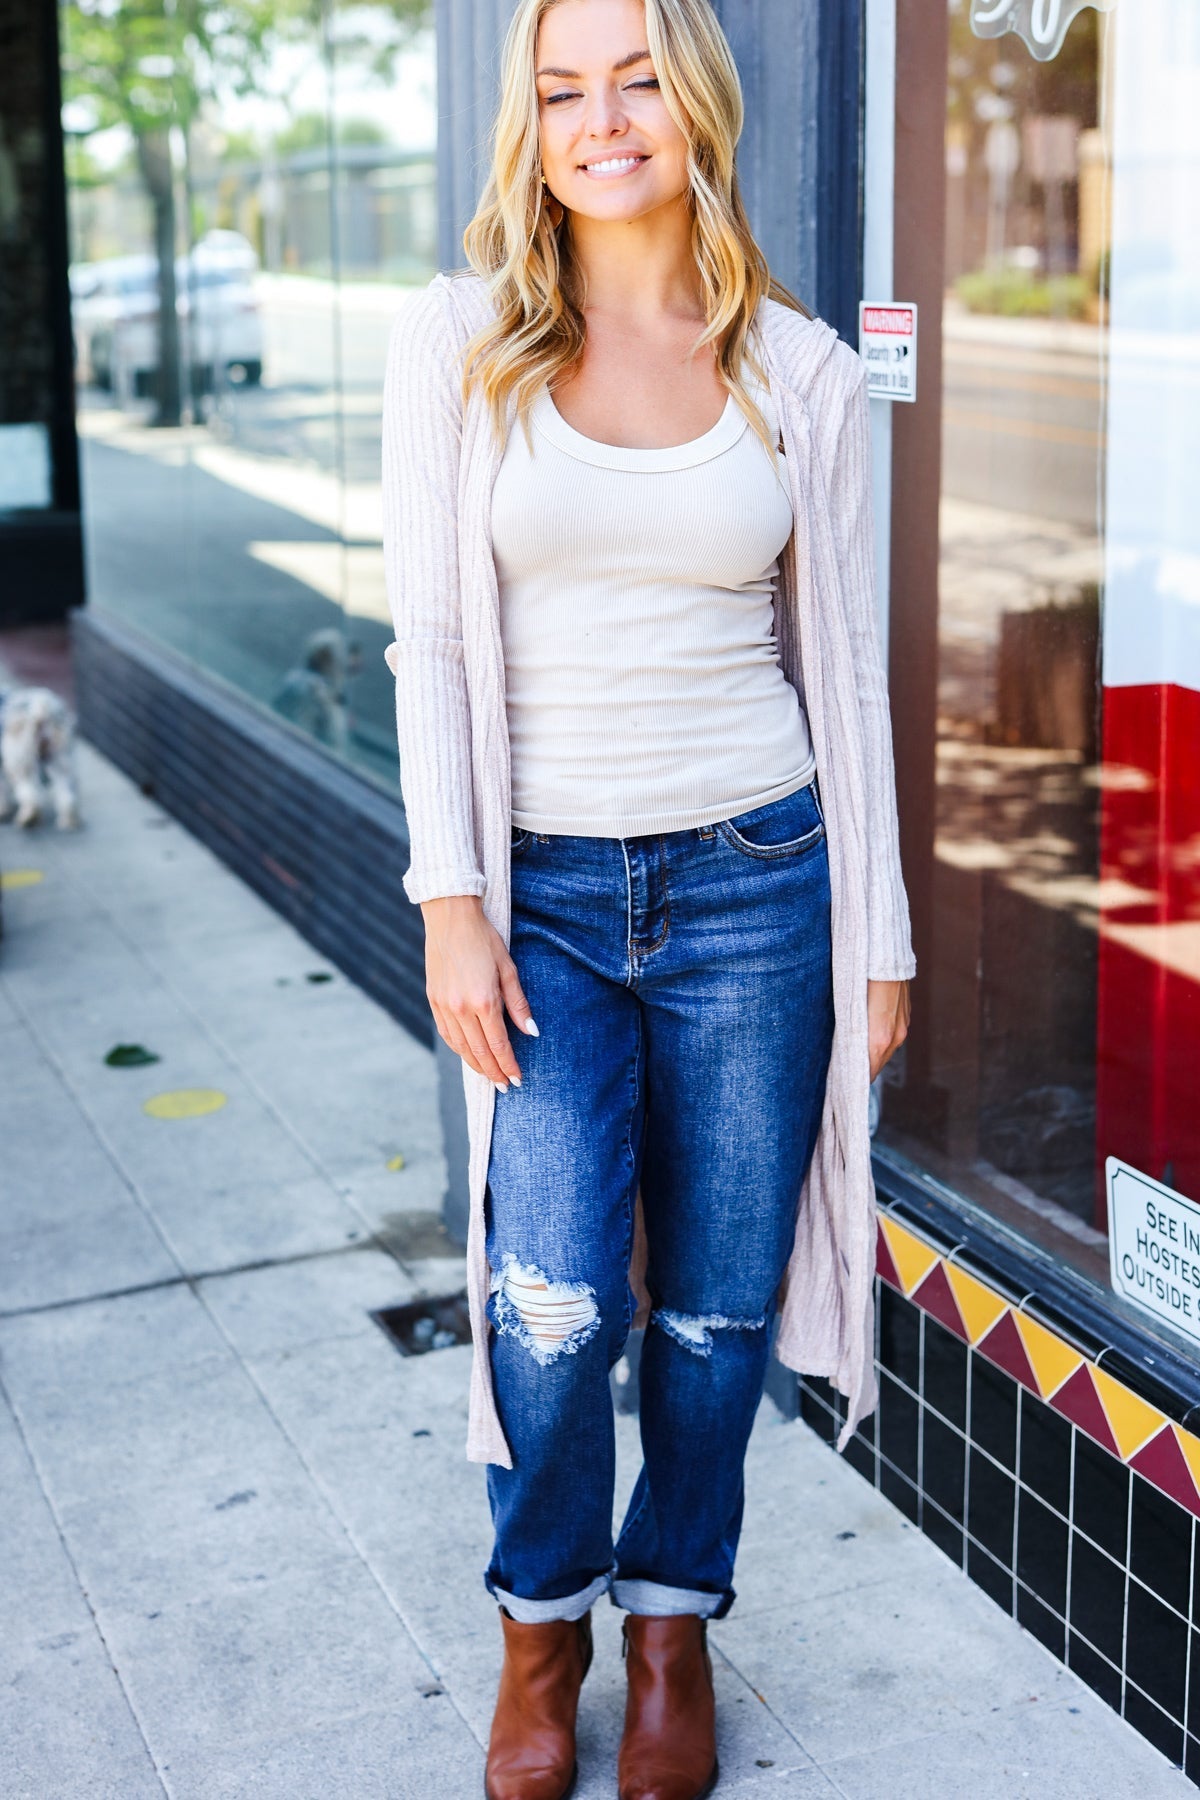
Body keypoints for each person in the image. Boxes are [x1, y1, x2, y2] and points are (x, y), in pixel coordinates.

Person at [381, 0, 914, 1793]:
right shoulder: (462, 343)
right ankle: (543, 1627)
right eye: (560, 89)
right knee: (548, 1294)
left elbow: (844, 668)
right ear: (528, 121)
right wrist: (448, 894)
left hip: (760, 878)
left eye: (633, 82)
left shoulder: (801, 368)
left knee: (712, 1299)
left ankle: (674, 1619)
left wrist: (881, 932)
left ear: (694, 102)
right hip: (535, 898)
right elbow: (433, 643)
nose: (600, 121)